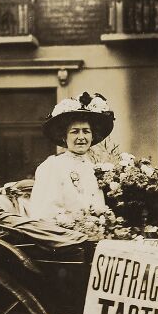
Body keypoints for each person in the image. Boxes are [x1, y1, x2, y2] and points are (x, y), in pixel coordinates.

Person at [29, 92, 114, 221]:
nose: (81, 137)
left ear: (92, 136)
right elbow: (43, 212)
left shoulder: (95, 169)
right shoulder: (52, 166)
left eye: (86, 131)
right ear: (64, 136)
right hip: (65, 236)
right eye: (75, 132)